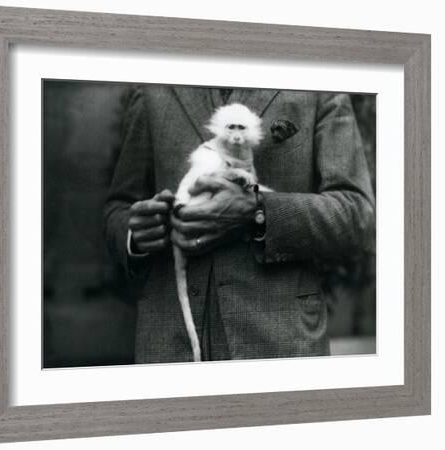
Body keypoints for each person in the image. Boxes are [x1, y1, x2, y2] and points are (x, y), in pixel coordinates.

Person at [103, 85, 375, 364]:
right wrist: (136, 235)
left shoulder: (317, 85)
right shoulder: (154, 87)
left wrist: (257, 211)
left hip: (278, 345)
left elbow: (356, 215)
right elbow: (119, 207)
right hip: (169, 344)